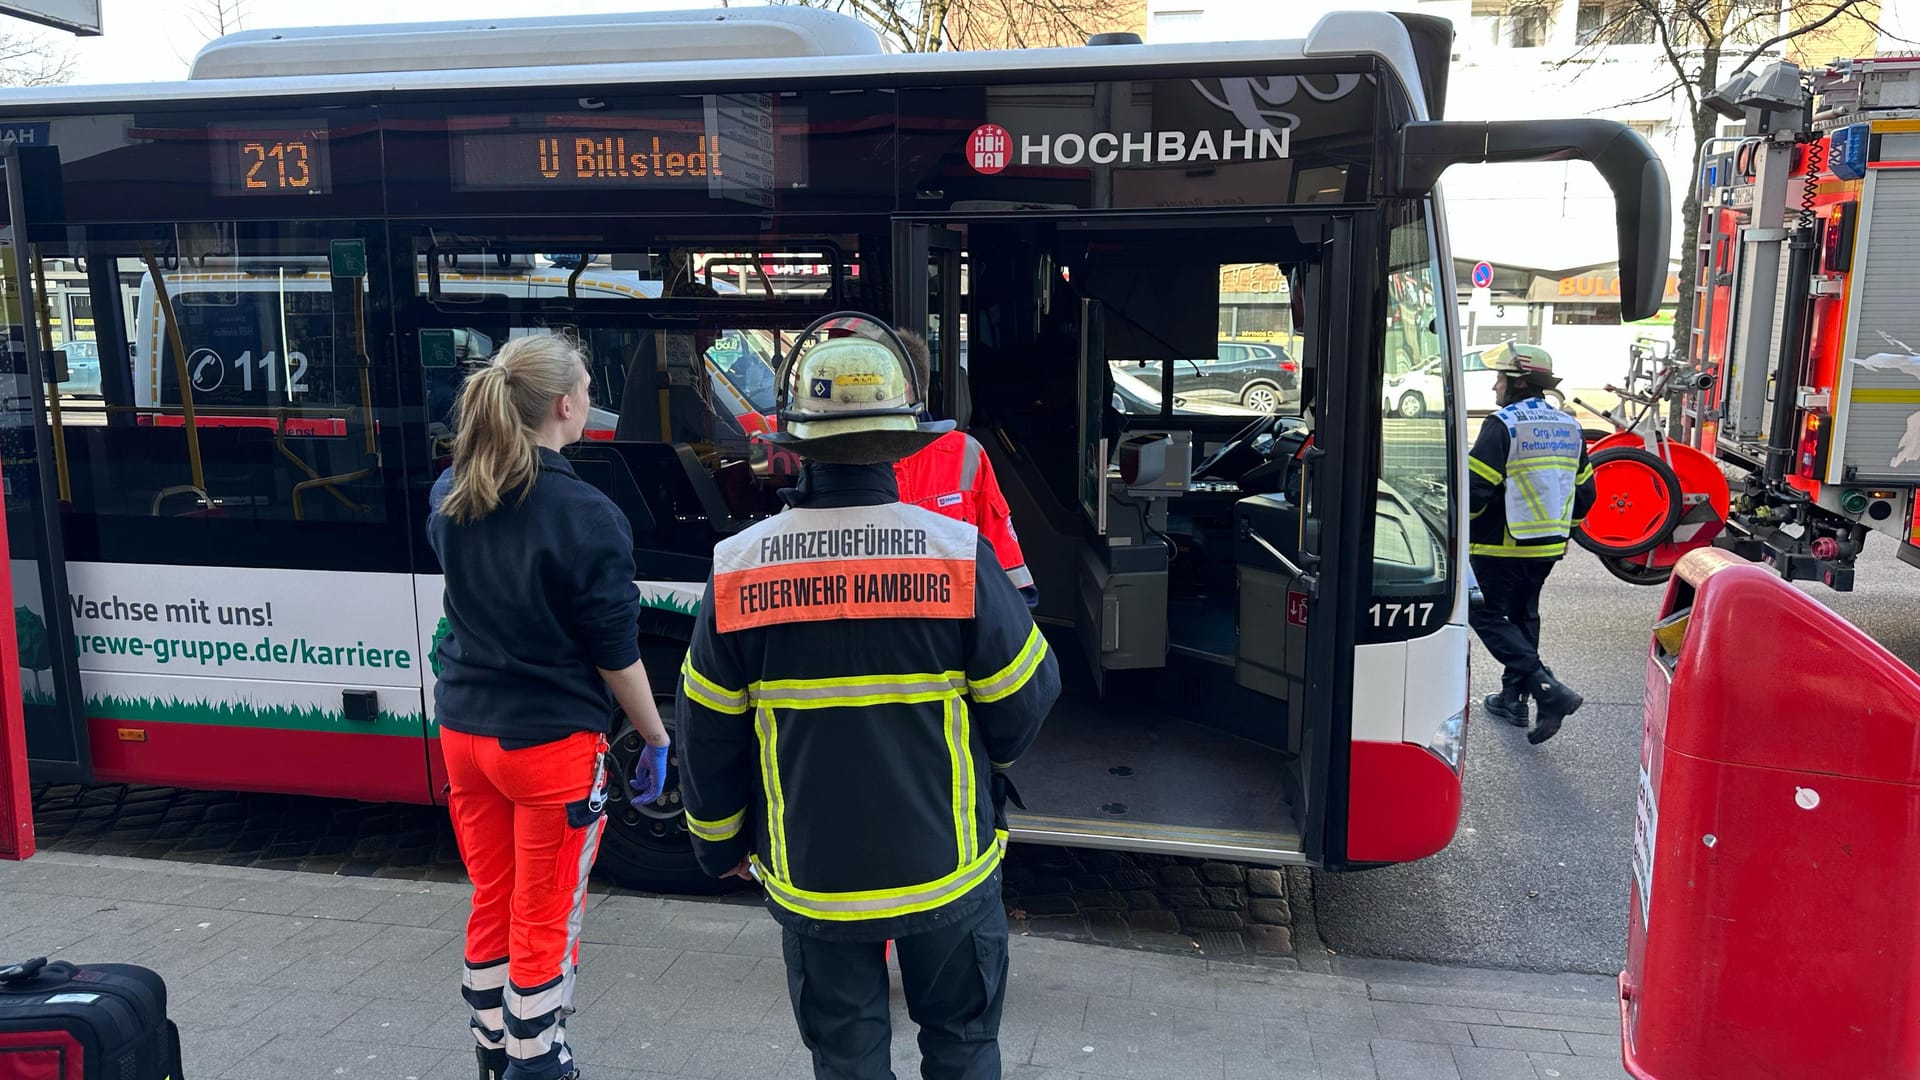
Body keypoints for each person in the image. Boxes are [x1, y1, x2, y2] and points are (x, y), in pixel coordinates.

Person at [677, 313, 1060, 1080]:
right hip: (949, 873)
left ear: (796, 441)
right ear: (906, 435)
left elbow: (708, 734)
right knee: (961, 1045)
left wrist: (717, 845)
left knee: (847, 1059)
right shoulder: (957, 558)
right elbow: (1026, 702)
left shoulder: (738, 571)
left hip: (815, 885)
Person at [427, 334, 673, 1080]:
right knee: (545, 914)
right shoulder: (586, 514)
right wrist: (656, 735)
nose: (592, 398)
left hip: (465, 734)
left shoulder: (453, 492)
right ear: (566, 406)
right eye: (590, 387)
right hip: (548, 749)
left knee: (492, 898)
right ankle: (540, 1061)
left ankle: (493, 1049)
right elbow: (614, 649)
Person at [1467, 343, 1596, 745]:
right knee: (1524, 617)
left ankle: (1547, 689)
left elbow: (1474, 492)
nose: (1495, 387)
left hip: (1499, 547)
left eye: (1501, 378)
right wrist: (1564, 529)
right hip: (1547, 547)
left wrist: (1458, 530)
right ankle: (1512, 700)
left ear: (1519, 382)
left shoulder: (1503, 424)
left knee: (1486, 616)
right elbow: (1586, 493)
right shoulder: (1570, 426)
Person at [888, 328, 1039, 607]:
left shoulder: (963, 454)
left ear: (905, 386)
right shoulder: (837, 464)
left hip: (954, 639)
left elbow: (1013, 582)